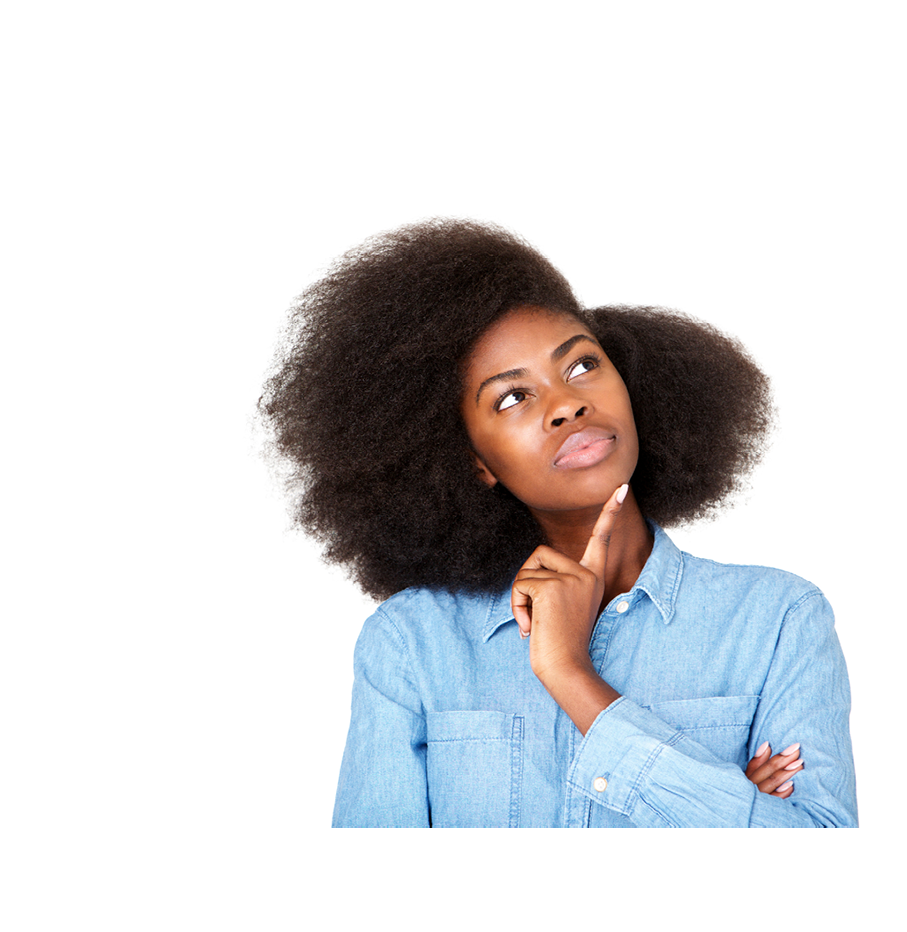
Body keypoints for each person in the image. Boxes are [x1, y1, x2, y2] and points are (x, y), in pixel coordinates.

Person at [260, 219, 857, 828]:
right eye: (512, 397)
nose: (566, 404)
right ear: (473, 461)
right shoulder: (413, 643)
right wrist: (722, 804)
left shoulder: (776, 619)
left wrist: (570, 675)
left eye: (580, 365)